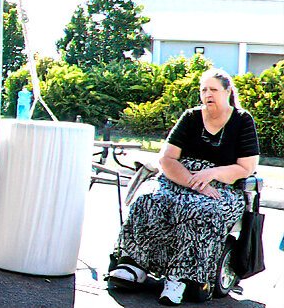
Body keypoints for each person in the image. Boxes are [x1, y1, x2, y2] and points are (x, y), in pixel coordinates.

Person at [107, 68, 259, 305]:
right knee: (148, 201)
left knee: (203, 212)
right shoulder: (190, 117)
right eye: (203, 89)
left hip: (222, 187)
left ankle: (181, 276)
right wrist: (193, 182)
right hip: (180, 180)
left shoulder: (242, 120)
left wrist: (211, 174)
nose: (207, 94)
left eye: (213, 89)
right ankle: (134, 263)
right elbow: (167, 159)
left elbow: (246, 167)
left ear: (228, 92)